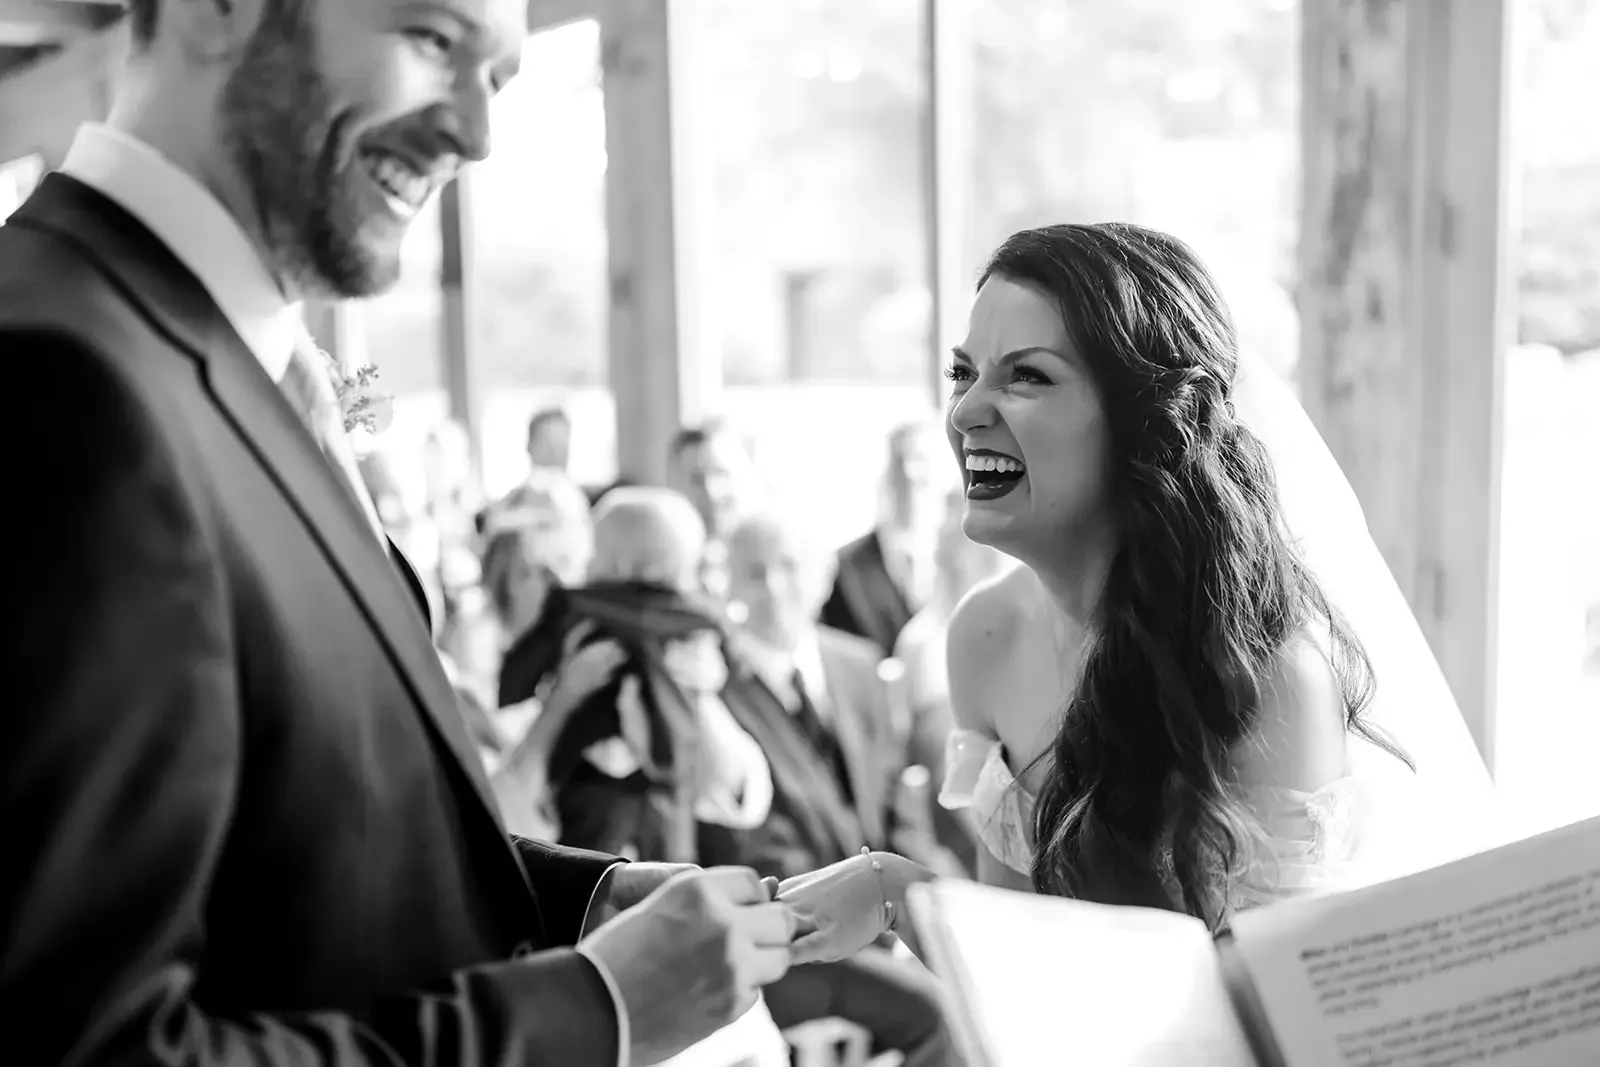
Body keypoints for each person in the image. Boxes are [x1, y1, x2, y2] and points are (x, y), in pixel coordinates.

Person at [0, 2, 802, 1064]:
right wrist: (595, 1008)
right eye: (432, 40)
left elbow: (311, 836)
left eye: (498, 76)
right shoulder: (59, 381)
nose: (476, 132)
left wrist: (584, 902)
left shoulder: (250, 365)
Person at [776, 222, 1501, 961]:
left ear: (1146, 422)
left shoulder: (1268, 674)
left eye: (1027, 376)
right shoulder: (985, 637)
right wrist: (887, 888)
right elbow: (1016, 969)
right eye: (963, 373)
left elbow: (1249, 1005)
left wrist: (902, 894)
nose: (965, 413)